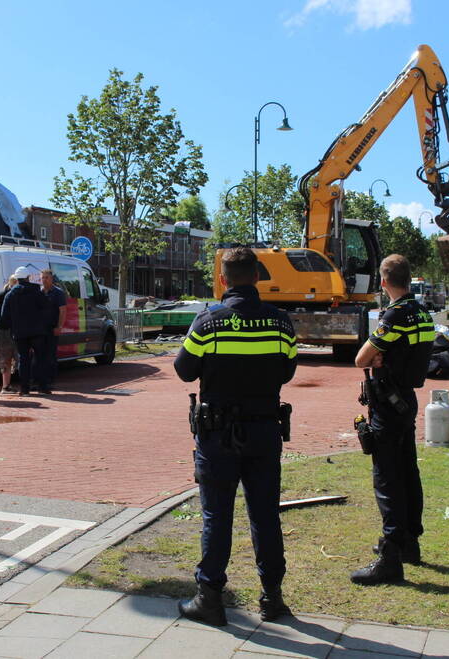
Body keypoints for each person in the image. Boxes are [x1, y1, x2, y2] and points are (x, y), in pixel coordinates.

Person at [173, 247, 297, 627]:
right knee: (265, 516)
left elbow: (183, 370)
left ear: (223, 279)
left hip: (217, 436)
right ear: (257, 276)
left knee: (216, 517)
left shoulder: (208, 322)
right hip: (263, 432)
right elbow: (287, 371)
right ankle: (272, 599)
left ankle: (210, 598)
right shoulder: (280, 323)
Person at [350, 254, 434, 585]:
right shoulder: (423, 313)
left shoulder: (395, 315)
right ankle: (409, 543)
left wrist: (378, 355)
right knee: (407, 471)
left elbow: (361, 359)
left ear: (384, 282)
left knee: (386, 478)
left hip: (387, 402)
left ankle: (390, 558)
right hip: (407, 400)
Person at [0, 266, 51, 396]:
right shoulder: (37, 291)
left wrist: (12, 326)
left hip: (19, 332)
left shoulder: (10, 294)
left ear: (17, 279)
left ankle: (25, 389)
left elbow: (4, 316)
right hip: (38, 331)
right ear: (28, 277)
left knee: (23, 360)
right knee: (40, 358)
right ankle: (43, 387)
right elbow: (46, 308)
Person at [38, 268, 67, 391]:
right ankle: (39, 380)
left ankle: (50, 380)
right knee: (39, 355)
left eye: (46, 278)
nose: (44, 280)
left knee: (50, 355)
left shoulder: (58, 293)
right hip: (39, 329)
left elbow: (63, 311)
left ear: (51, 279)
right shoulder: (39, 292)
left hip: (52, 328)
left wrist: (59, 326)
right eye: (42, 278)